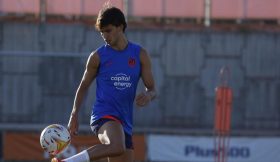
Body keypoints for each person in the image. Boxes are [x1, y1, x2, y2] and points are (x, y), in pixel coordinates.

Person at [52, 5, 156, 162]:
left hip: (125, 121)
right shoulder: (98, 56)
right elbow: (83, 86)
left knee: (119, 146)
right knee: (116, 145)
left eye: (108, 30)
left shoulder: (140, 55)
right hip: (104, 115)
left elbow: (153, 88)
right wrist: (74, 114)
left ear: (120, 27)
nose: (104, 36)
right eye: (102, 32)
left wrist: (148, 95)